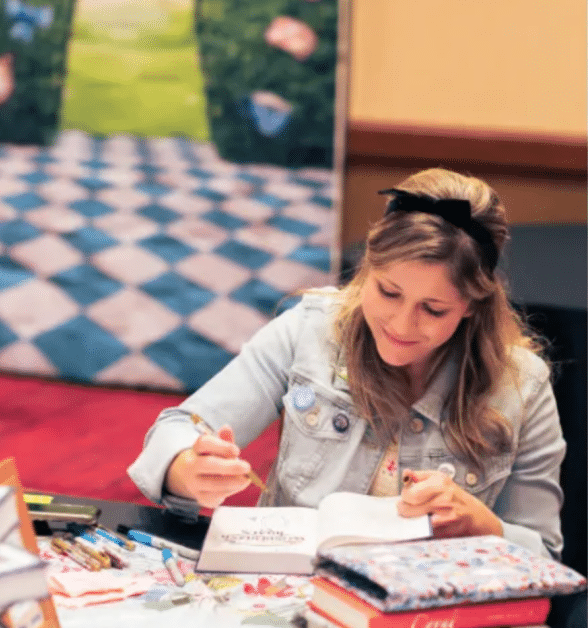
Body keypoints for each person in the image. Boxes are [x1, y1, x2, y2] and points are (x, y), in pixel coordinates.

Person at [128, 167, 566, 561]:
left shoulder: (521, 386)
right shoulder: (310, 332)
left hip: (425, 614)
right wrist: (187, 467)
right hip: (290, 595)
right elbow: (176, 428)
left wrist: (483, 527)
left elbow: (544, 555)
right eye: (389, 292)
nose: (401, 324)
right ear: (367, 267)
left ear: (472, 304)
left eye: (433, 310)